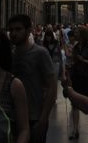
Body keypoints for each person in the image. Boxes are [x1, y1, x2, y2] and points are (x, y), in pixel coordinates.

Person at [8, 14, 57, 143]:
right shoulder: (9, 55)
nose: (13, 33)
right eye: (11, 30)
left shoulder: (40, 53)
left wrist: (43, 119)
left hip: (34, 117)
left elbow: (52, 87)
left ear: (29, 30)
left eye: (18, 29)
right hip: (12, 118)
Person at [64, 26, 88, 139]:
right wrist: (69, 69)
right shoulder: (75, 47)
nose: (75, 34)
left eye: (77, 32)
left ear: (82, 34)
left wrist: (84, 60)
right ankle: (75, 130)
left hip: (87, 77)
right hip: (76, 77)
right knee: (74, 104)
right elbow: (74, 61)